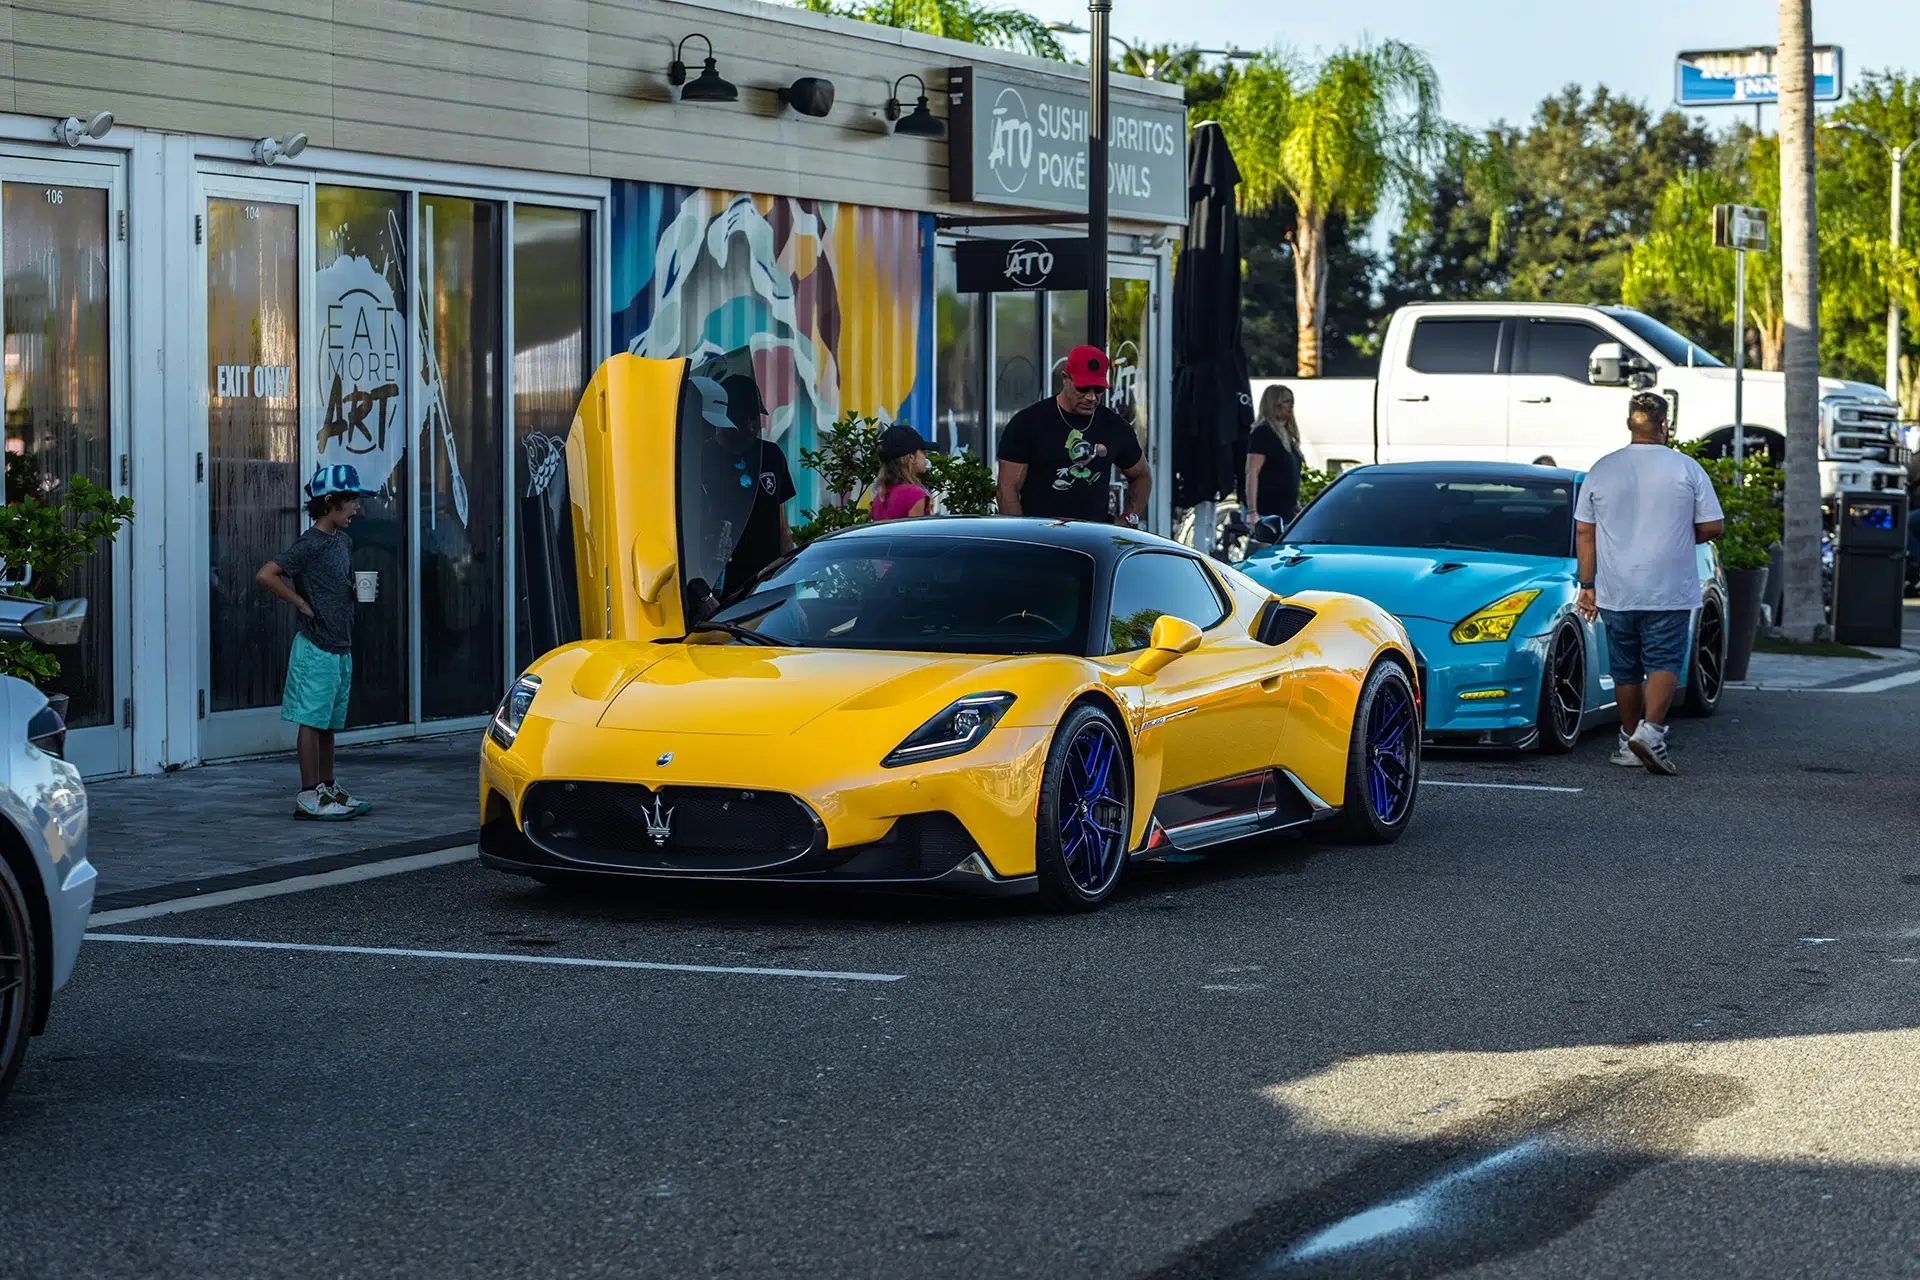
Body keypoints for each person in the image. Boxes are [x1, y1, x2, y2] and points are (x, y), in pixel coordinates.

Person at [1574, 392, 1723, 776]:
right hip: (1669, 585)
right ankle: (1652, 732)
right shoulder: (1686, 469)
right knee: (1664, 660)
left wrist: (1586, 585)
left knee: (1625, 667)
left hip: (1615, 587)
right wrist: (1676, 535)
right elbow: (1712, 526)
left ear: (1629, 425)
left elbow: (1584, 533)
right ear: (1664, 426)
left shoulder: (1602, 469)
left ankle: (1627, 739)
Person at [255, 464, 377, 820]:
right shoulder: (310, 544)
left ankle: (328, 788)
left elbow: (335, 582)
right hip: (316, 647)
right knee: (311, 721)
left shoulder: (343, 540)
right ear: (329, 503)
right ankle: (308, 796)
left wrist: (354, 590)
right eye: (352, 500)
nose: (357, 507)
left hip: (340, 645)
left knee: (328, 723)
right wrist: (301, 604)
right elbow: (267, 574)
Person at [996, 345, 1151, 526]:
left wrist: (1127, 519)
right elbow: (1007, 488)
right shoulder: (1028, 423)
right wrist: (1023, 538)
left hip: (1095, 540)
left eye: (1098, 390)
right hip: (1042, 537)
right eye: (1083, 388)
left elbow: (1142, 475)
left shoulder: (1114, 426)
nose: (1091, 397)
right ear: (1065, 378)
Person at [715, 373, 796, 595]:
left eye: (755, 418)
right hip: (724, 589)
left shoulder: (771, 456)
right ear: (725, 417)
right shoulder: (707, 460)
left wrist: (790, 591)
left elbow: (782, 527)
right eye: (743, 419)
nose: (751, 427)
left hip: (767, 582)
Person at [1246, 384, 1304, 522]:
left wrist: (1295, 504)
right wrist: (1252, 511)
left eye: (1291, 402)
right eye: (1286, 401)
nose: (1290, 406)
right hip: (1267, 511)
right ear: (1274, 404)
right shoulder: (1263, 433)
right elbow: (1252, 472)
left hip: (1286, 511)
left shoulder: (1288, 436)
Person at [872, 424, 936, 521]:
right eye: (923, 451)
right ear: (911, 457)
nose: (925, 456)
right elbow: (916, 534)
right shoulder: (915, 495)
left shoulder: (880, 497)